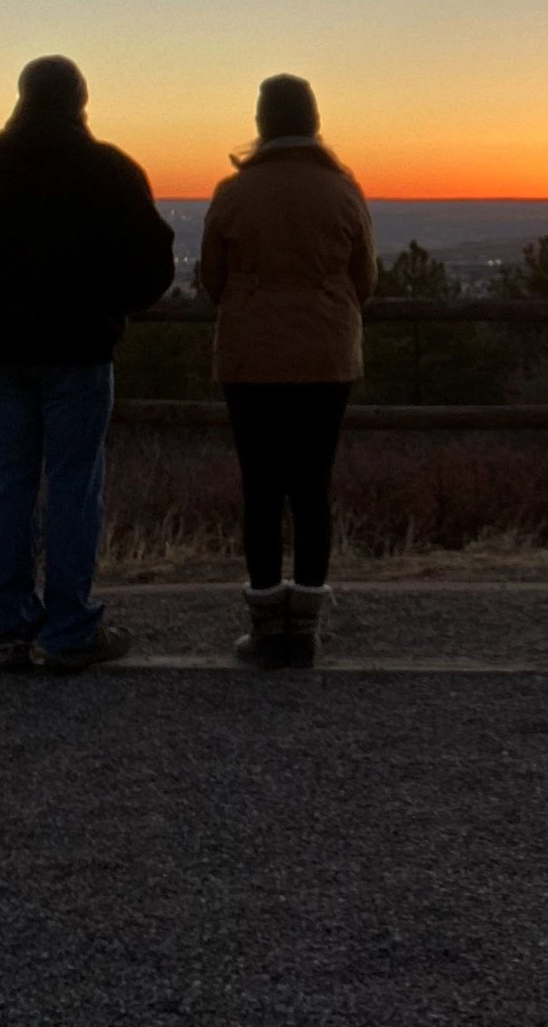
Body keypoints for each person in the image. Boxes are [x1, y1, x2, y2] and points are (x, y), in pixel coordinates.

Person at [0, 56, 174, 673]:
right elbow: (153, 264)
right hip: (79, 352)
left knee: (10, 483)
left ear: (21, 97)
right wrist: (111, 308)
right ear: (80, 100)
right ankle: (70, 628)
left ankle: (12, 626)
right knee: (74, 483)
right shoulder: (109, 171)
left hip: (2, 352)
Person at [199, 74, 377, 668]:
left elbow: (211, 281)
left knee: (261, 489)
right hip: (327, 356)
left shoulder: (232, 193)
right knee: (311, 489)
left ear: (260, 122)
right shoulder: (343, 191)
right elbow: (365, 280)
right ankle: (306, 630)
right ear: (314, 120)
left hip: (250, 359)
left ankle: (265, 625)